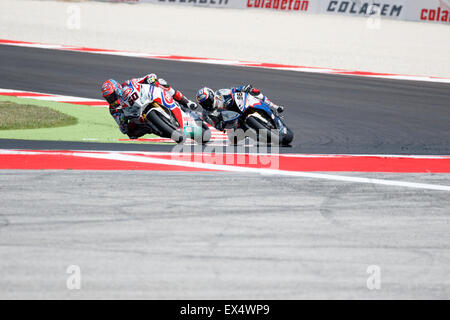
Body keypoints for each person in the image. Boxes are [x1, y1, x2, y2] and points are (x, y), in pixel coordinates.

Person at [101, 74, 197, 138]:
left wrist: (150, 79)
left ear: (117, 89)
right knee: (131, 134)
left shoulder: (128, 84)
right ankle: (153, 129)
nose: (111, 100)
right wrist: (123, 124)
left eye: (111, 96)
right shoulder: (113, 109)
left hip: (146, 99)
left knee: (160, 82)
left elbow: (146, 77)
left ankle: (186, 101)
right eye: (108, 98)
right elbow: (122, 127)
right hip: (137, 116)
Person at [195, 85, 284, 131]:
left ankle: (274, 106)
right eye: (203, 104)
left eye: (207, 101)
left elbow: (234, 90)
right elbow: (215, 125)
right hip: (232, 122)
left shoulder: (220, 93)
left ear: (211, 95)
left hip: (239, 106)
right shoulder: (206, 114)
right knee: (234, 139)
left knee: (253, 91)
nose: (206, 104)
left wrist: (244, 88)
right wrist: (220, 125)